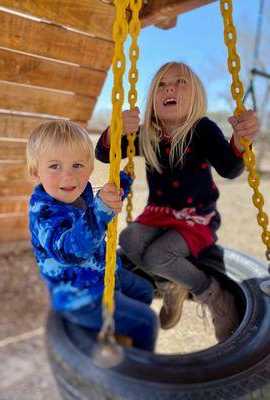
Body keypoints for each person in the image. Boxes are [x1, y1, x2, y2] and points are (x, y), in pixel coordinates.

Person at [95, 62, 259, 342]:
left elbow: (229, 168)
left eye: (180, 82)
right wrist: (116, 130)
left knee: (158, 256)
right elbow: (104, 155)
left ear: (196, 97)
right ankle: (170, 286)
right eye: (161, 84)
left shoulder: (202, 129)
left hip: (195, 217)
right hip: (158, 214)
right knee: (130, 239)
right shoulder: (147, 133)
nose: (169, 87)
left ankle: (213, 294)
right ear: (154, 99)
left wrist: (241, 143)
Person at [26, 119, 158, 351]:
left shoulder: (81, 192)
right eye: (55, 166)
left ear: (90, 168)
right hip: (80, 297)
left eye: (77, 165)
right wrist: (100, 211)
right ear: (35, 172)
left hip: (102, 273)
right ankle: (138, 375)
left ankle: (121, 331)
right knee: (147, 322)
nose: (68, 177)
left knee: (144, 290)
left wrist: (121, 184)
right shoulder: (44, 213)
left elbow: (102, 199)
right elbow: (70, 250)